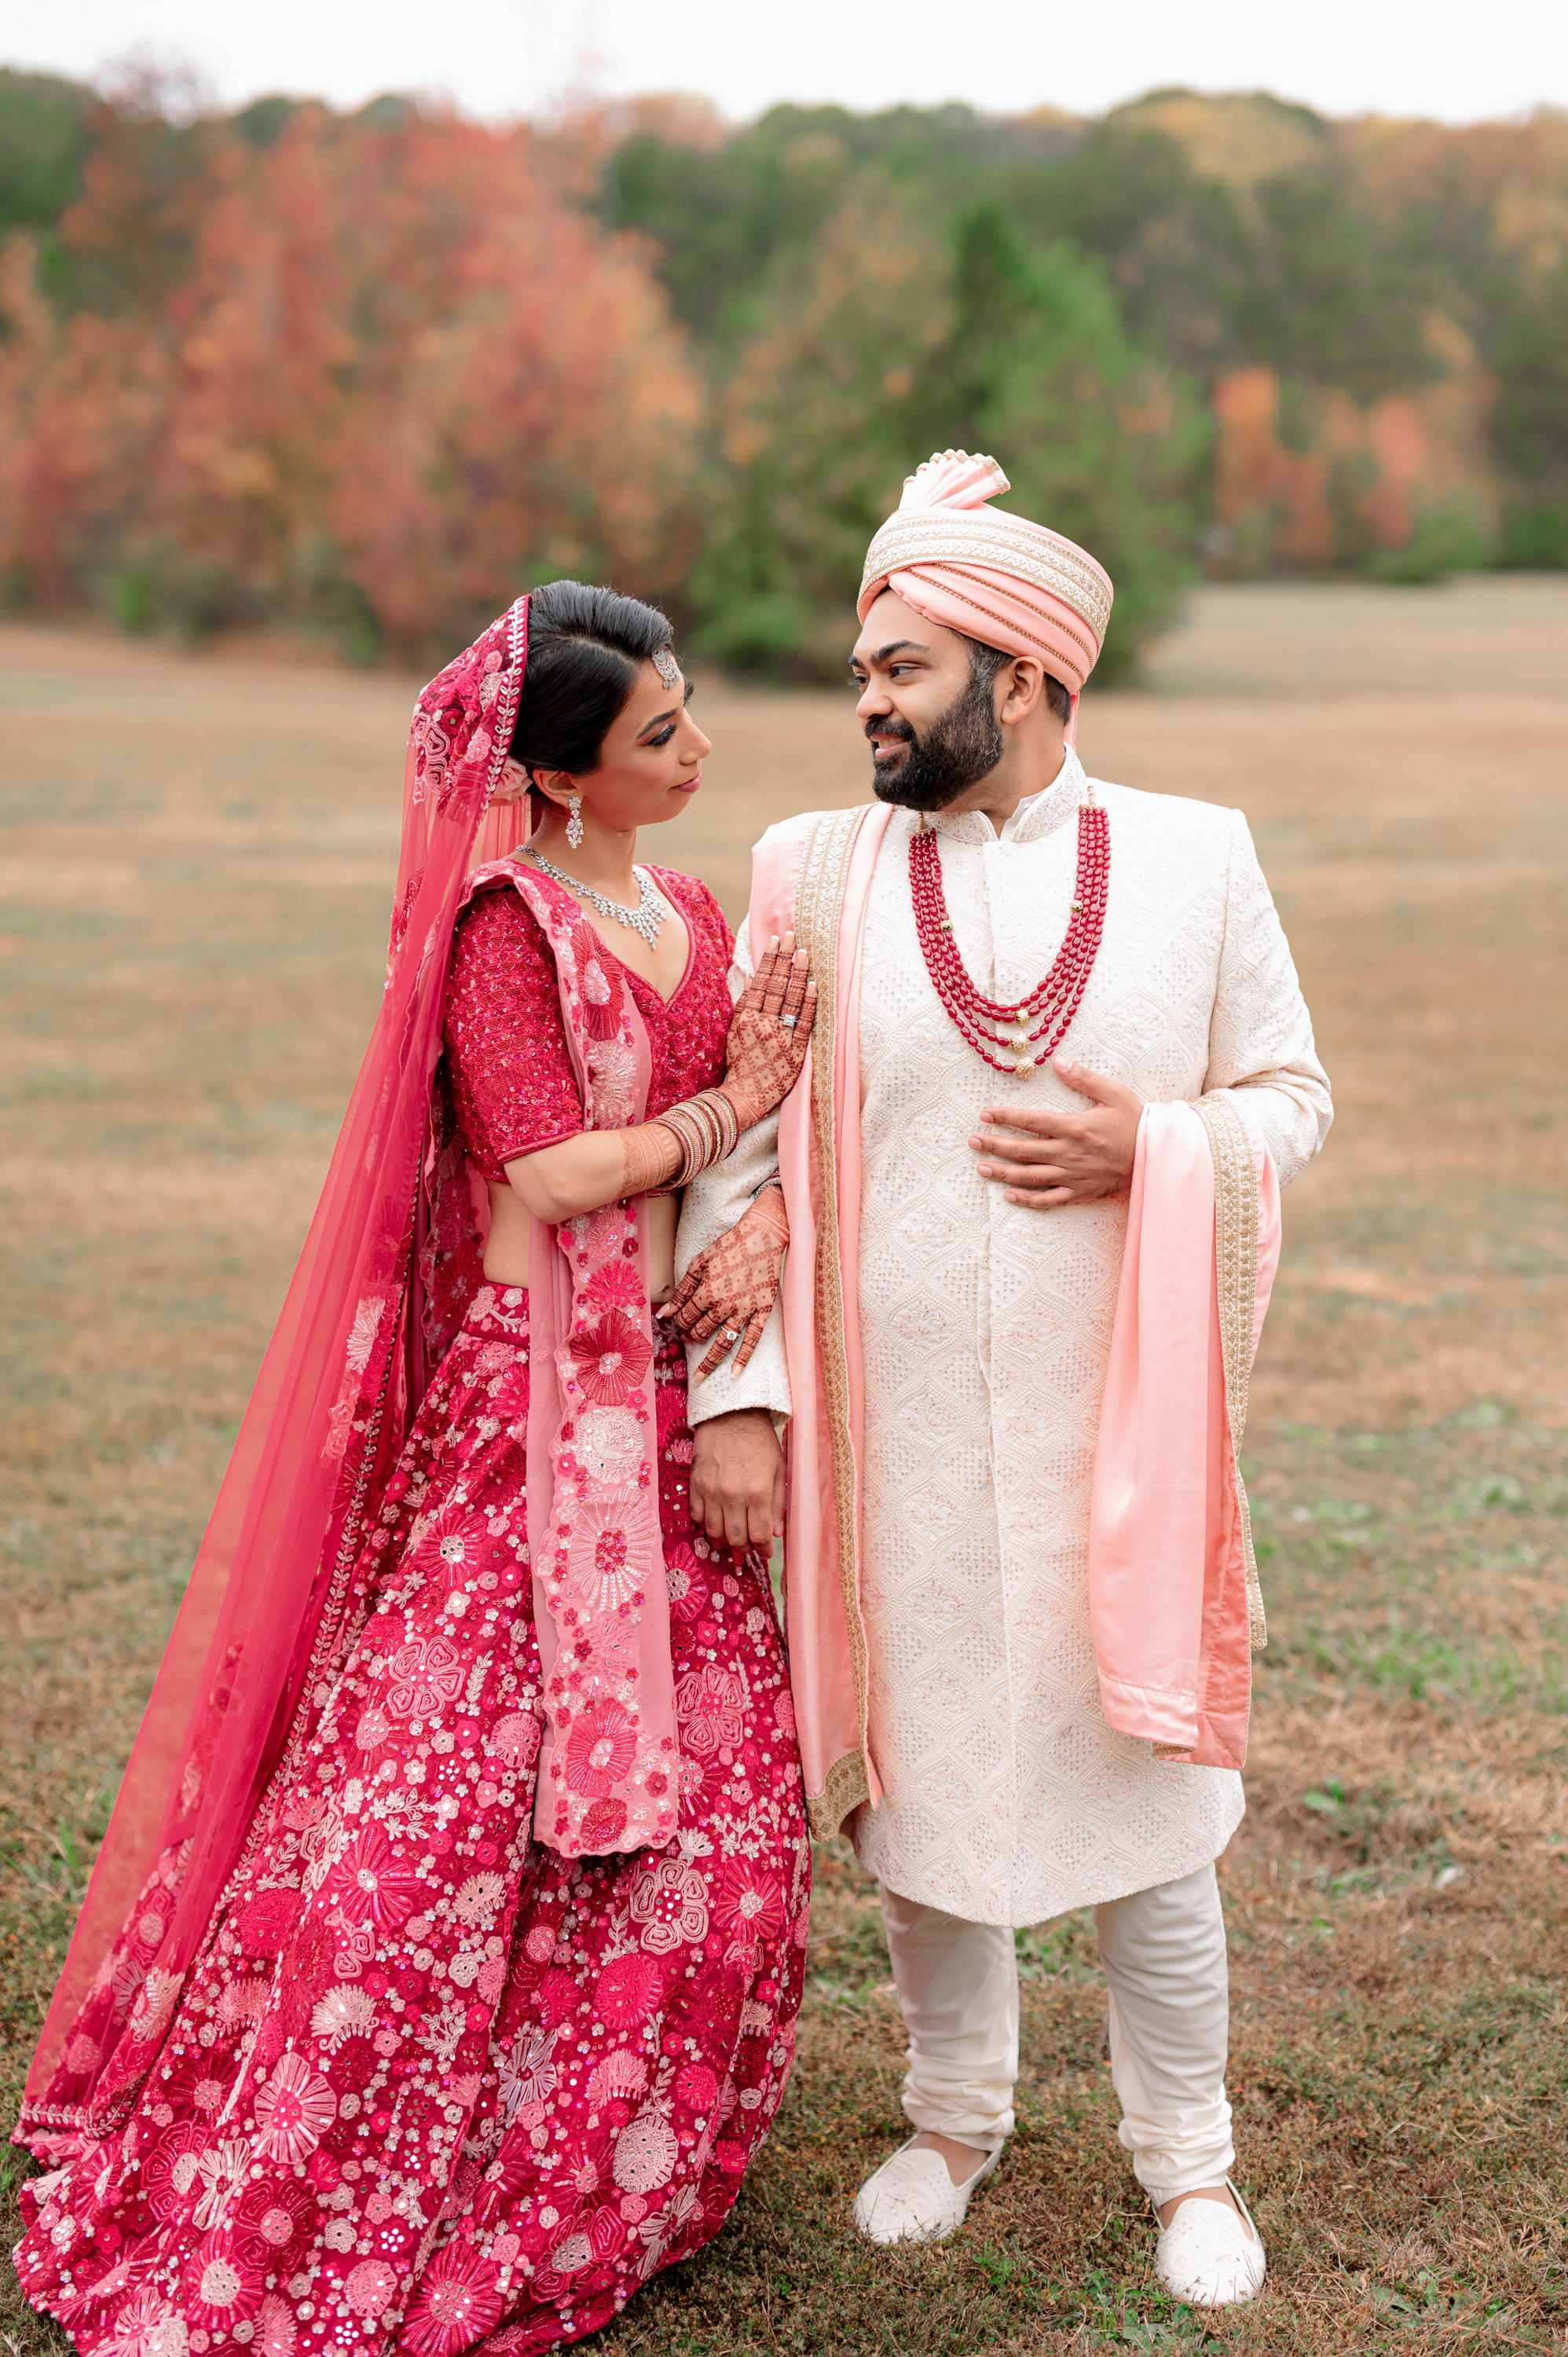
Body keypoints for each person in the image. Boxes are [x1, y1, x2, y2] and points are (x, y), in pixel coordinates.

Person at [14, 582, 817, 2354]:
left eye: (688, 712)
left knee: (727, 1811)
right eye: (659, 735)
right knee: (433, 1818)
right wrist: (727, 1108)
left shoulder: (684, 901)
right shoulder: (501, 930)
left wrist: (749, 1198)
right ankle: (378, 2144)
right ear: (551, 774)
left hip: (669, 1400)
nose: (700, 749)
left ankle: (623, 2141)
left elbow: (737, 1146)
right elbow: (541, 1171)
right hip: (532, 1416)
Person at [669, 452, 1332, 2308]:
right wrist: (743, 1399)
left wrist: (1162, 1150)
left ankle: (1182, 2161)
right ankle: (951, 2113)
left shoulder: (1197, 855)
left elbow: (1290, 1096)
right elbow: (736, 1146)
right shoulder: (808, 870)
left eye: (900, 665)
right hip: (881, 1436)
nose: (861, 698)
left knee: (1144, 1805)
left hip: (1111, 1436)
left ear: (1023, 681)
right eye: (863, 665)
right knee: (924, 1787)